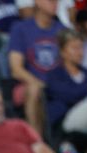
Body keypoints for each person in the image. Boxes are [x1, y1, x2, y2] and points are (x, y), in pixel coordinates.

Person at [9, 0, 67, 134]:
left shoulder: (62, 29)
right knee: (34, 89)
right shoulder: (21, 28)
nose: (55, 4)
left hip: (58, 83)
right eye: (50, 1)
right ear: (38, 2)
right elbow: (16, 69)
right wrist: (38, 82)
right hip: (30, 83)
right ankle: (36, 140)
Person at [46, 30, 87, 144]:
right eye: (75, 48)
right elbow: (68, 95)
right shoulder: (55, 75)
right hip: (65, 123)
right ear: (63, 52)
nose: (80, 52)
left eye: (81, 47)